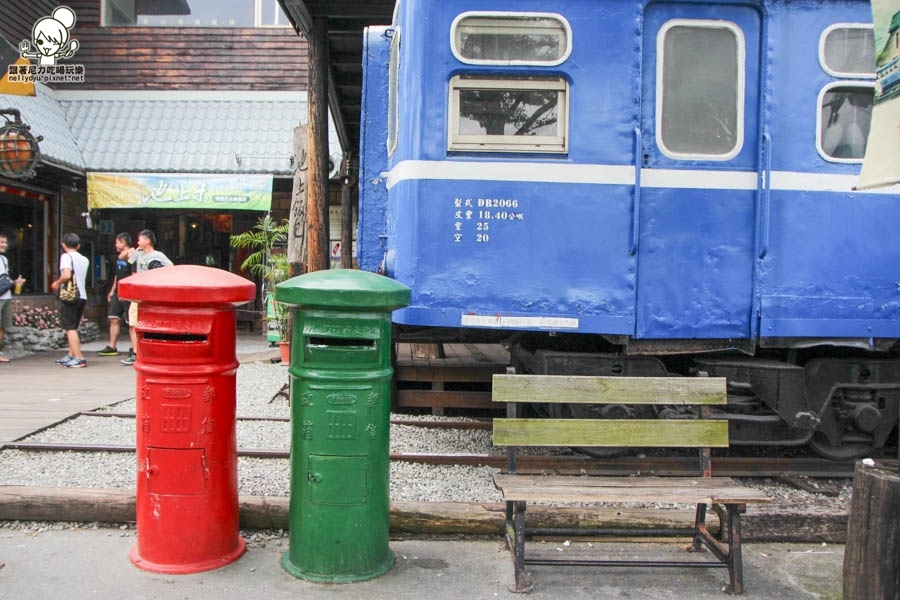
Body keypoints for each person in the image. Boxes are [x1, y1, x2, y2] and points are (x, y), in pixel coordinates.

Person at [121, 229, 172, 366]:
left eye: (140, 239)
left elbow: (171, 268)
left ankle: (153, 352)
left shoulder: (158, 255)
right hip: (138, 295)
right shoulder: (138, 254)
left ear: (147, 240)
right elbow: (123, 258)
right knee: (133, 324)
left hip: (152, 296)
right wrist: (133, 250)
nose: (138, 242)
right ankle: (136, 353)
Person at [50, 232, 90, 368]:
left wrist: (57, 282)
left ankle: (79, 357)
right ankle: (71, 354)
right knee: (74, 326)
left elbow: (66, 275)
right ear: (78, 245)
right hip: (82, 295)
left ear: (63, 245)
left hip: (70, 296)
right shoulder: (84, 259)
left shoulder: (66, 256)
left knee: (70, 328)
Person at [96, 232, 134, 357]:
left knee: (131, 323)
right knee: (113, 318)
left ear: (123, 243)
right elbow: (117, 276)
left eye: (117, 242)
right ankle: (112, 346)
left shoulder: (132, 255)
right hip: (118, 291)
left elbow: (134, 275)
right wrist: (113, 290)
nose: (115, 245)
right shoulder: (119, 257)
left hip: (129, 293)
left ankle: (133, 349)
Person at [0, 232, 26, 363]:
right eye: (1, 242)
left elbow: (5, 278)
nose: (4, 245)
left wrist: (14, 282)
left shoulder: (4, 259)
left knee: (3, 325)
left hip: (5, 295)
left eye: (5, 242)